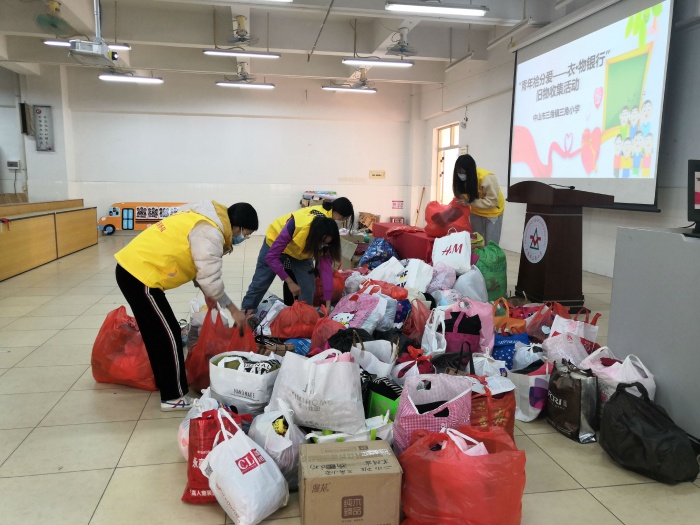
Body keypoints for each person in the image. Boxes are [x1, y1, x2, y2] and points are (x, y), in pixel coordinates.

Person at [114, 200, 258, 411]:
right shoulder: (210, 231)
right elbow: (210, 276)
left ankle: (164, 381)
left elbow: (199, 267)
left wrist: (208, 295)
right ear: (237, 226)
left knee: (157, 333)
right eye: (246, 233)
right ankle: (173, 397)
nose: (243, 238)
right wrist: (234, 310)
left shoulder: (201, 218)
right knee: (168, 333)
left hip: (133, 270)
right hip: (140, 275)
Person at [241, 197, 353, 315]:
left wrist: (328, 305)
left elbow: (325, 271)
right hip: (276, 241)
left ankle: (303, 315)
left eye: (326, 244)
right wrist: (290, 282)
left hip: (300, 251)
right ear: (315, 238)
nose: (323, 246)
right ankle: (246, 312)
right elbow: (271, 257)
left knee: (308, 286)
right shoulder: (297, 225)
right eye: (322, 243)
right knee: (262, 280)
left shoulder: (327, 231)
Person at [452, 154, 505, 245]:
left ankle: (491, 255)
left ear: (470, 171)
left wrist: (470, 202)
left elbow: (492, 201)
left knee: (491, 244)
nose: (461, 175)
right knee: (476, 241)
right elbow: (460, 195)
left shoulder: (486, 178)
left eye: (463, 172)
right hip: (476, 211)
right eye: (459, 172)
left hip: (492, 212)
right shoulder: (460, 180)